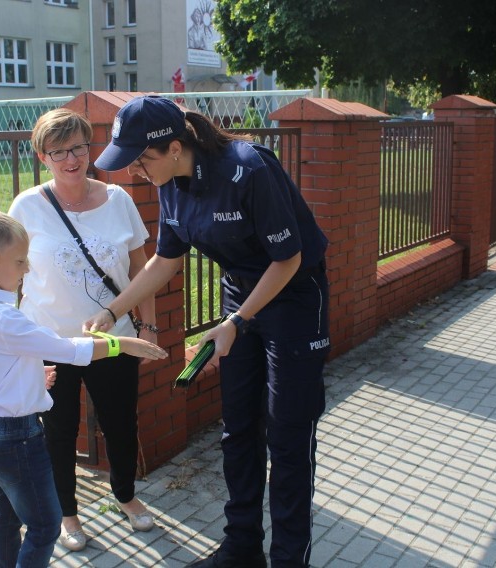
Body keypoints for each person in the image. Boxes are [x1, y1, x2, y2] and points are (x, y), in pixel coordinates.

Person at [87, 95, 331, 568]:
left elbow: (289, 258)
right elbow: (165, 260)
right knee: (238, 429)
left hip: (295, 297)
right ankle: (241, 549)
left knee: (287, 436)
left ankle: (288, 559)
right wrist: (113, 310)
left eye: (142, 159)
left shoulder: (248, 169)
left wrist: (236, 323)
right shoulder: (170, 182)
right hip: (240, 296)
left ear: (175, 147)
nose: (136, 170)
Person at [0, 210, 166, 568]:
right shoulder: (2, 317)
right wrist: (120, 345)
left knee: (3, 515)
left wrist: (31, 377)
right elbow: (66, 349)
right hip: (17, 434)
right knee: (46, 524)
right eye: (19, 261)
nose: (26, 270)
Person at [7, 108, 161, 552]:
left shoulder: (118, 201)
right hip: (50, 341)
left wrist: (148, 326)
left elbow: (141, 269)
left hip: (114, 339)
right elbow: (11, 274)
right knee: (58, 429)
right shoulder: (27, 206)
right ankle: (67, 514)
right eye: (59, 151)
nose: (72, 159)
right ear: (43, 157)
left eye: (79, 147)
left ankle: (125, 495)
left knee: (119, 422)